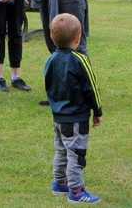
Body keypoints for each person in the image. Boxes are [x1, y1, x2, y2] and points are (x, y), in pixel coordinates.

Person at [45, 13, 102, 204]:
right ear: (78, 38)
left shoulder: (50, 60)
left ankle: (59, 182)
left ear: (52, 37)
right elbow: (92, 87)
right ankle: (75, 191)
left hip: (58, 117)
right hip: (76, 118)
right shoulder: (80, 60)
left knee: (61, 149)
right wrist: (97, 111)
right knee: (76, 154)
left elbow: (48, 86)